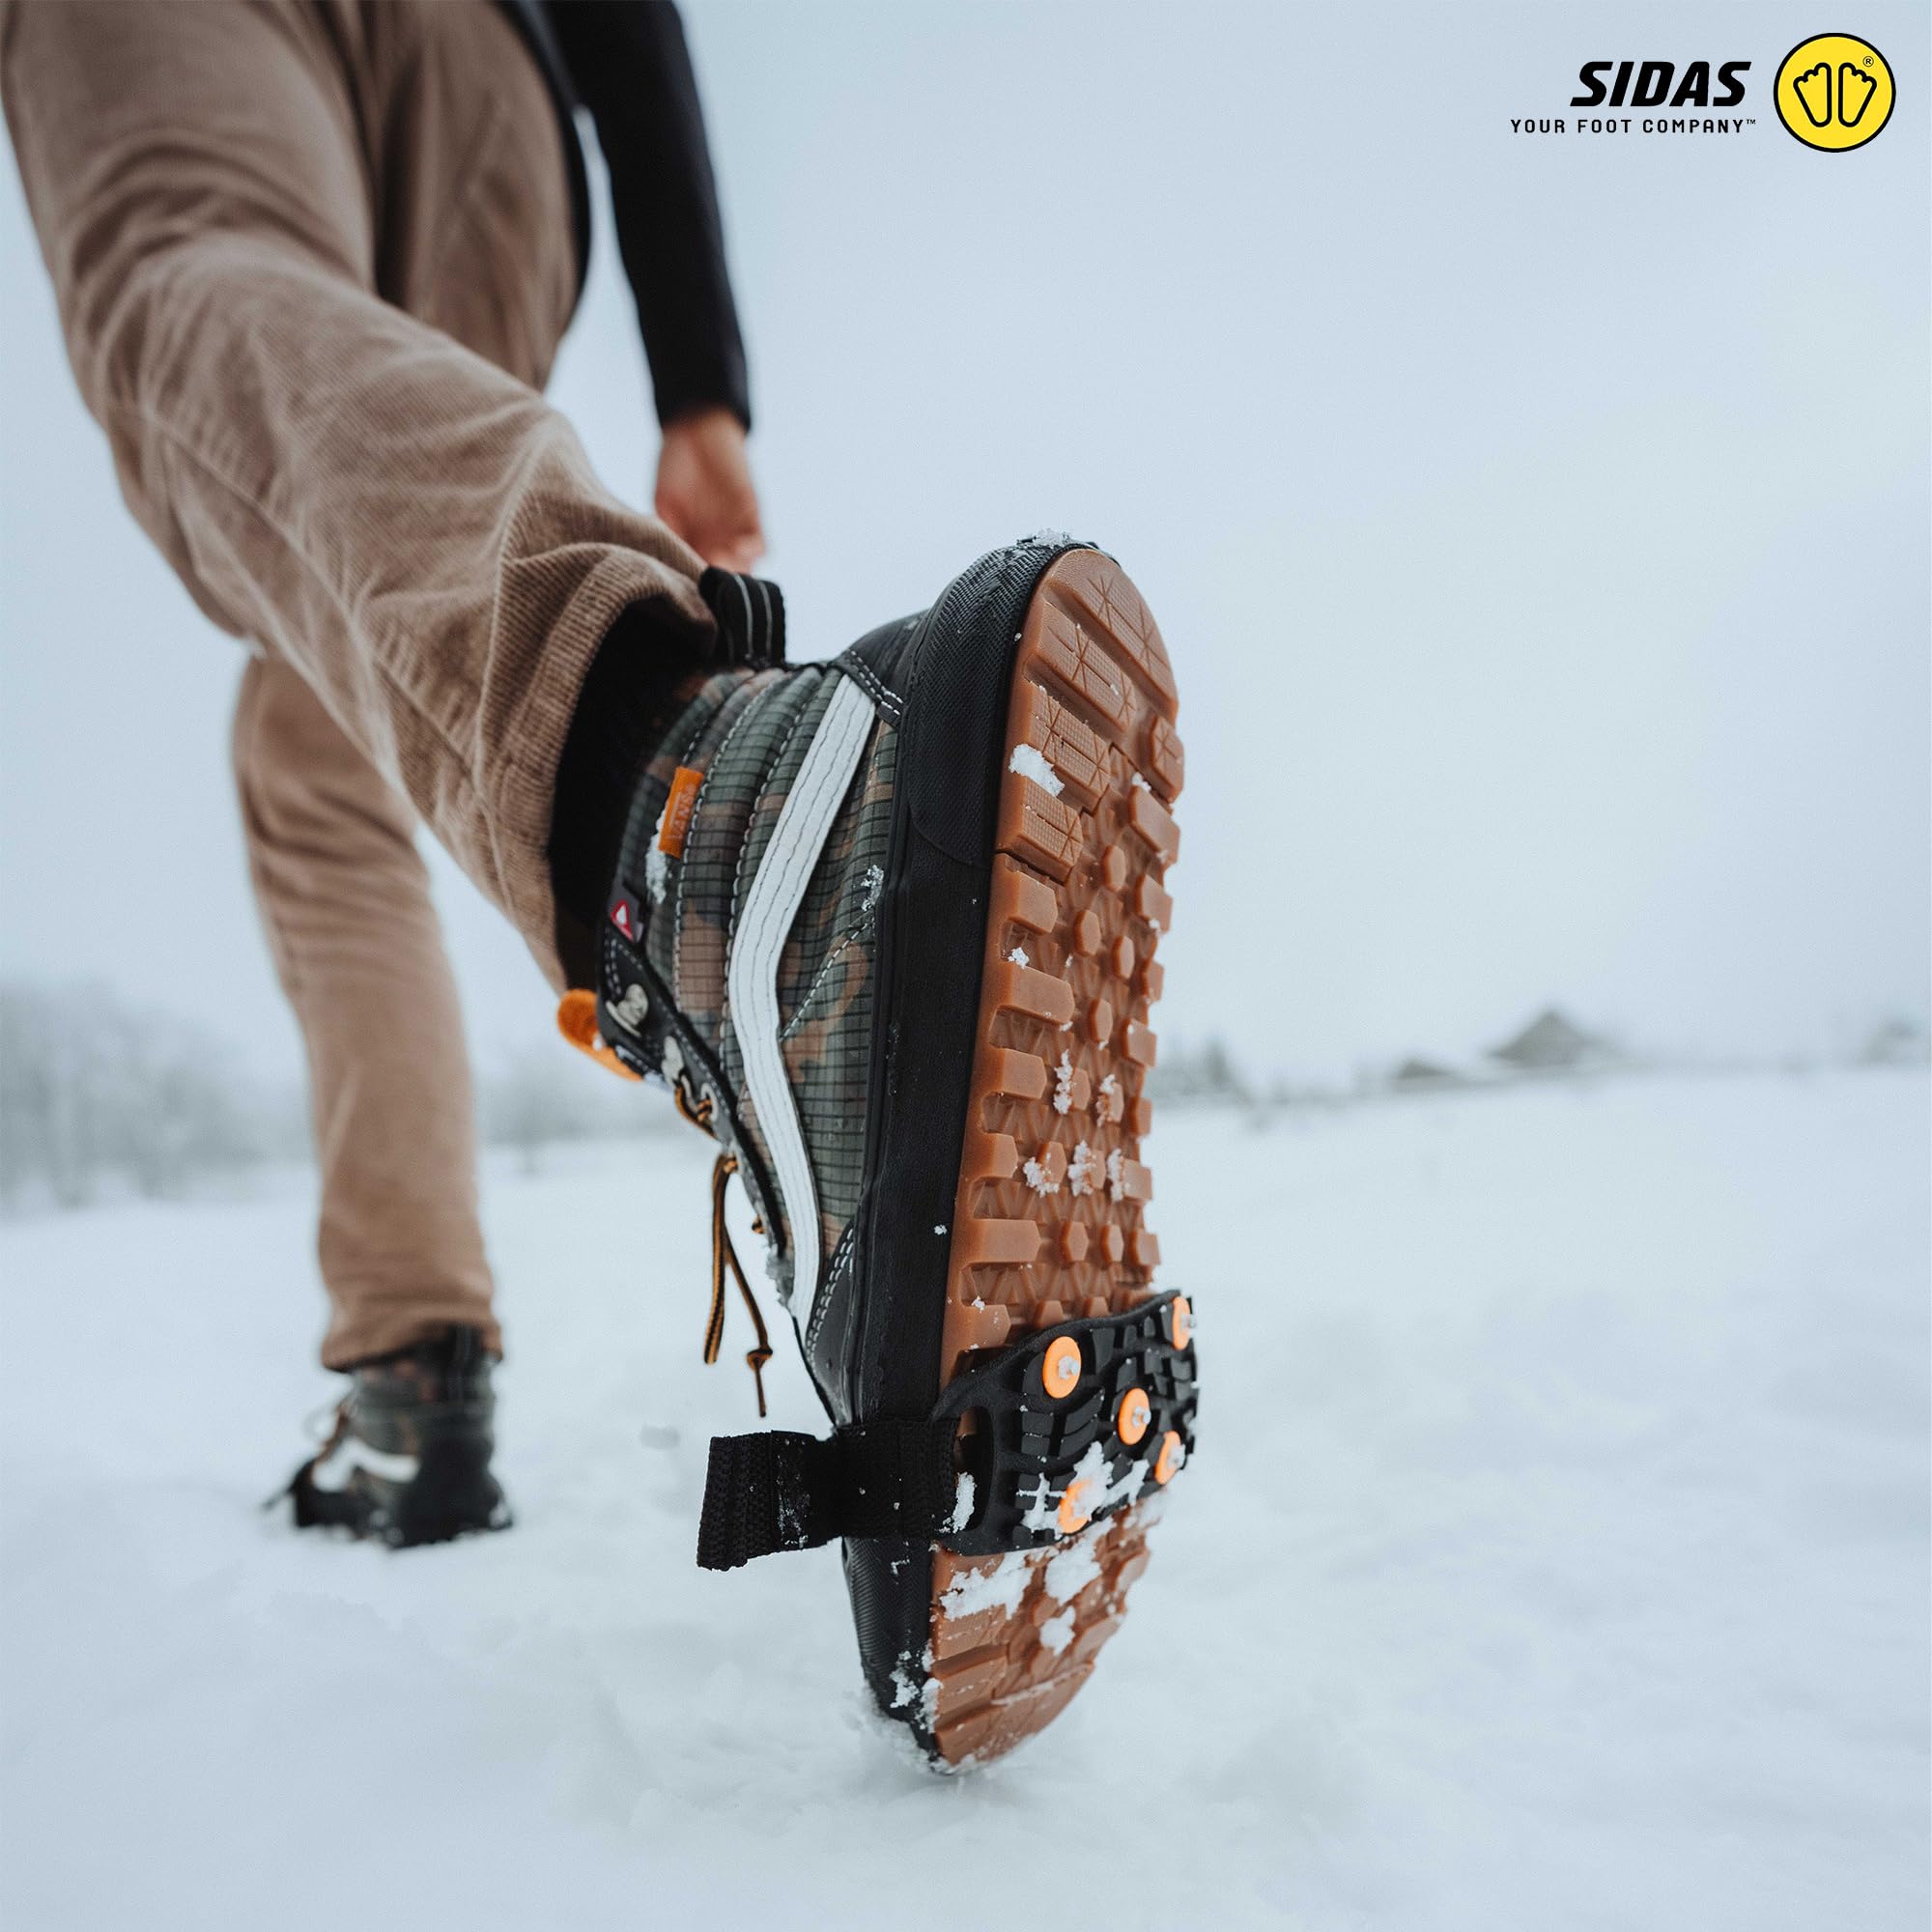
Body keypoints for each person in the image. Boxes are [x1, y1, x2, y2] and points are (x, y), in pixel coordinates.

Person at [1, 0, 1194, 1766]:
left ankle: (713, 833)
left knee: (194, 276)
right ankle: (414, 1365)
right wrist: (701, 379)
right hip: (503, 92)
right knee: (339, 698)